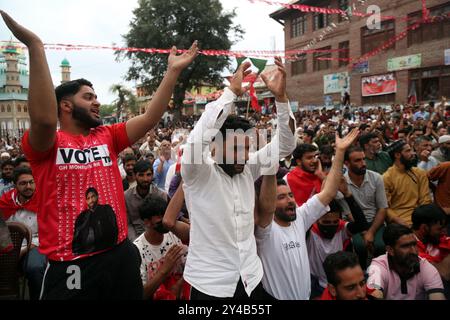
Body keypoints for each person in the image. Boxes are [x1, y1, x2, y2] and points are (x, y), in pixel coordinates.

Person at [0, 10, 198, 299]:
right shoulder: (47, 144)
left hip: (119, 256)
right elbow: (43, 119)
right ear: (65, 106)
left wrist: (173, 71)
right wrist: (35, 47)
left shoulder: (108, 136)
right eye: (88, 97)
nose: (97, 102)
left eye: (96, 96)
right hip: (72, 264)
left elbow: (150, 117)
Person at [181, 58, 296, 299]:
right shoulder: (197, 172)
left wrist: (282, 100)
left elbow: (285, 144)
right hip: (209, 285)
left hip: (251, 279)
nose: (243, 156)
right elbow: (196, 139)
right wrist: (230, 93)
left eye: (246, 148)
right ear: (214, 146)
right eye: (234, 149)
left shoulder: (248, 167)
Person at [255, 129, 360, 300]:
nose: (289, 200)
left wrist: (340, 152)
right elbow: (265, 207)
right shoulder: (264, 230)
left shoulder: (300, 218)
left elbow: (328, 192)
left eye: (290, 195)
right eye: (281, 197)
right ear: (269, 203)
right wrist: (268, 164)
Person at [308, 177, 369, 299]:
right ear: (316, 220)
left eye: (335, 222)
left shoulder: (341, 229)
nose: (331, 226)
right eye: (326, 222)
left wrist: (347, 194)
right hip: (314, 283)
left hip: (341, 283)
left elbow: (362, 224)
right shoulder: (308, 232)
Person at [0, 167, 46, 300]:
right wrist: (9, 248)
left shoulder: (43, 201)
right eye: (23, 183)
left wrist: (23, 250)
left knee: (35, 267)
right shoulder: (5, 202)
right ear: (15, 185)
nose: (29, 186)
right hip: (9, 246)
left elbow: (47, 233)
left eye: (32, 182)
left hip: (35, 245)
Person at [367, 223, 445, 300]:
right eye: (405, 246)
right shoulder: (378, 267)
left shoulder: (425, 267)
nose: (414, 251)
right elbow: (374, 295)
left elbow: (437, 296)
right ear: (390, 250)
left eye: (414, 244)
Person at [133, 194, 189, 300]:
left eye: (166, 215)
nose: (165, 222)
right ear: (147, 222)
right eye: (160, 219)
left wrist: (178, 286)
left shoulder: (175, 234)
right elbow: (142, 294)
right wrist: (164, 270)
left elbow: (192, 264)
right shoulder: (137, 250)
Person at [344, 146, 388, 269]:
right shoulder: (342, 182)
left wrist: (371, 232)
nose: (363, 163)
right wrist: (364, 232)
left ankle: (381, 272)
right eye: (357, 161)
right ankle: (361, 272)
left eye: (363, 159)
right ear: (347, 163)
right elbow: (348, 214)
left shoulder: (376, 178)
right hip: (354, 223)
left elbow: (382, 208)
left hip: (375, 222)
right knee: (359, 246)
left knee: (380, 246)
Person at [383, 140, 431, 227]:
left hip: (421, 219)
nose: (413, 154)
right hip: (399, 222)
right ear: (397, 155)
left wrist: (424, 220)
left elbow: (425, 200)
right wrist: (401, 223)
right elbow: (385, 208)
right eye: (408, 151)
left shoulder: (420, 173)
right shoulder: (386, 177)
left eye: (411, 150)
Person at [411, 204, 450, 298]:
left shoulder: (434, 237)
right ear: (424, 228)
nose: (444, 232)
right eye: (440, 229)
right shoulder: (411, 249)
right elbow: (444, 274)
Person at [125, 160, 167, 241]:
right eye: (141, 175)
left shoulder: (161, 195)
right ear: (134, 176)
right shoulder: (126, 197)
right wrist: (136, 242)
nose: (145, 179)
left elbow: (163, 223)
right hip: (135, 236)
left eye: (148, 175)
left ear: (152, 175)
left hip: (157, 235)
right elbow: (128, 224)